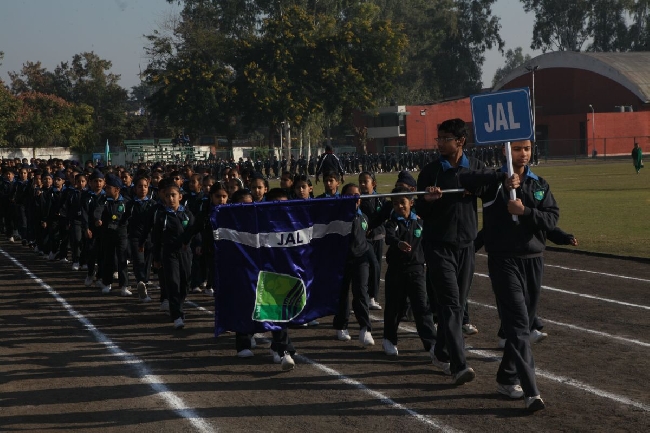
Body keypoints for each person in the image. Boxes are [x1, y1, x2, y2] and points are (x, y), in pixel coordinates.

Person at [459, 139, 558, 412]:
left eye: (527, 148)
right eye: (516, 149)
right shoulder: (493, 183)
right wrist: (501, 178)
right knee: (517, 325)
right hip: (504, 261)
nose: (523, 154)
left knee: (523, 325)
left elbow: (551, 219)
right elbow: (464, 178)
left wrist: (525, 211)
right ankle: (532, 392)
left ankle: (506, 377)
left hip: (533, 261)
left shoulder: (539, 184)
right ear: (505, 150)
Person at [416, 118, 483, 385]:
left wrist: (477, 187)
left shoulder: (475, 167)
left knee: (457, 303)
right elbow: (420, 210)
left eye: (445, 139)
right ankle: (459, 365)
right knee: (452, 304)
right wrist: (428, 200)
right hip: (438, 246)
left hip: (466, 246)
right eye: (439, 138)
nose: (440, 143)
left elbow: (491, 190)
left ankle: (442, 351)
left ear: (461, 141)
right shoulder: (430, 171)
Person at [382, 187, 437, 358]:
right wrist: (398, 243)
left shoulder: (419, 222)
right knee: (394, 307)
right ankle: (389, 339)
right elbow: (389, 237)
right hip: (396, 271)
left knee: (422, 307)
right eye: (395, 203)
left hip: (417, 270)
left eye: (402, 202)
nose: (399, 206)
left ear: (411, 203)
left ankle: (432, 344)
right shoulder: (392, 223)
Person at [151, 178, 196, 329]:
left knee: (185, 283)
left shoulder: (187, 214)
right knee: (173, 283)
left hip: (185, 253)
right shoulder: (162, 216)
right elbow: (156, 238)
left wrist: (196, 245)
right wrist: (156, 258)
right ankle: (177, 315)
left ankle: (179, 305)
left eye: (173, 195)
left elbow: (193, 231)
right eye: (167, 196)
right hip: (169, 254)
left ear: (180, 196)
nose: (170, 199)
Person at [333, 183, 374, 347]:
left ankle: (365, 328)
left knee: (361, 292)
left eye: (357, 195)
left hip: (361, 259)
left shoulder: (363, 215)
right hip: (342, 259)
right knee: (342, 294)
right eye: (350, 195)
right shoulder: (338, 216)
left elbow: (375, 227)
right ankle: (341, 325)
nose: (354, 198)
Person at [94, 174, 132, 296]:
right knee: (108, 258)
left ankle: (124, 285)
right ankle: (107, 283)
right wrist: (98, 219)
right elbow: (98, 210)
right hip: (108, 233)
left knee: (122, 259)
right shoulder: (104, 200)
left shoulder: (125, 202)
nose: (106, 189)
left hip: (121, 234)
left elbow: (129, 216)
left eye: (109, 187)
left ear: (117, 189)